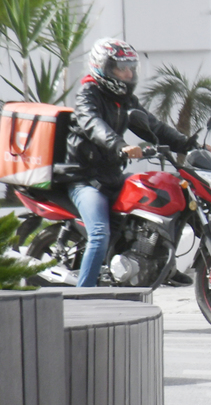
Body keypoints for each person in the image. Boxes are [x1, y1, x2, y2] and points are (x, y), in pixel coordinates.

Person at [64, 38, 203, 287]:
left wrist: (190, 145)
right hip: (84, 179)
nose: (127, 74)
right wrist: (120, 146)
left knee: (170, 201)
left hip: (111, 176)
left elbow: (154, 126)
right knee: (99, 234)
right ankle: (82, 296)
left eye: (130, 68)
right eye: (121, 68)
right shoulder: (88, 95)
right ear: (102, 67)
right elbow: (93, 124)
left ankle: (163, 265)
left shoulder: (125, 100)